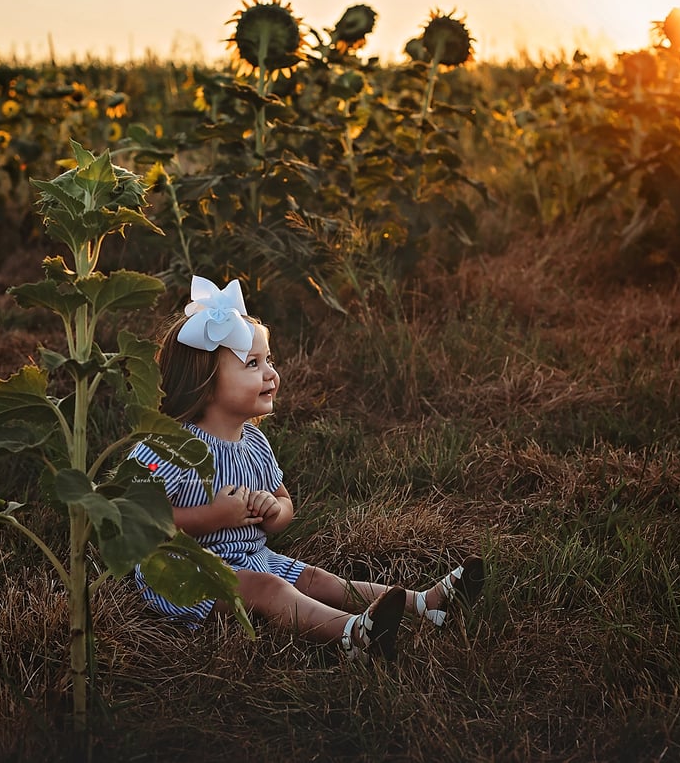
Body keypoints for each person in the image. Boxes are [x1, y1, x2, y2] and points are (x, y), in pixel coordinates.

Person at [129, 276, 485, 662]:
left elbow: (284, 504)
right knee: (269, 589)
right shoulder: (169, 446)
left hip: (250, 558)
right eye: (253, 364)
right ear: (205, 382)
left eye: (270, 361)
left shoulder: (254, 443)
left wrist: (273, 512)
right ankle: (352, 635)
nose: (270, 374)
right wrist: (212, 516)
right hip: (182, 572)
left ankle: (426, 604)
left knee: (319, 579)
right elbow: (137, 520)